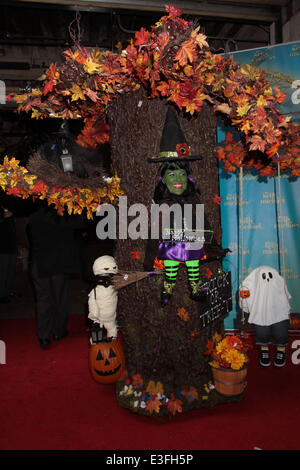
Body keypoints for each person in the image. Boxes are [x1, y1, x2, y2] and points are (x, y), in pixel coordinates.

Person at [28, 203, 85, 349]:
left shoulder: (34, 215)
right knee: (59, 297)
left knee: (43, 299)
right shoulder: (61, 214)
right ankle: (58, 331)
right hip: (57, 262)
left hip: (38, 261)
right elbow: (81, 223)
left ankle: (43, 336)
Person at [239, 265, 291, 367]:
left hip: (278, 311)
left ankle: (281, 349)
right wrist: (244, 290)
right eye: (263, 276)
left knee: (280, 330)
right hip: (261, 311)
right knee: (262, 331)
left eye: (270, 276)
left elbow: (285, 294)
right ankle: (264, 349)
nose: (267, 278)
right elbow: (246, 290)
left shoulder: (278, 283)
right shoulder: (252, 284)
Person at [0, 194, 17, 303]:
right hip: (2, 246)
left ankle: (8, 292)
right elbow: (6, 215)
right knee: (3, 271)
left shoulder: (6, 205)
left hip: (11, 244)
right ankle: (2, 295)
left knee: (10, 270)